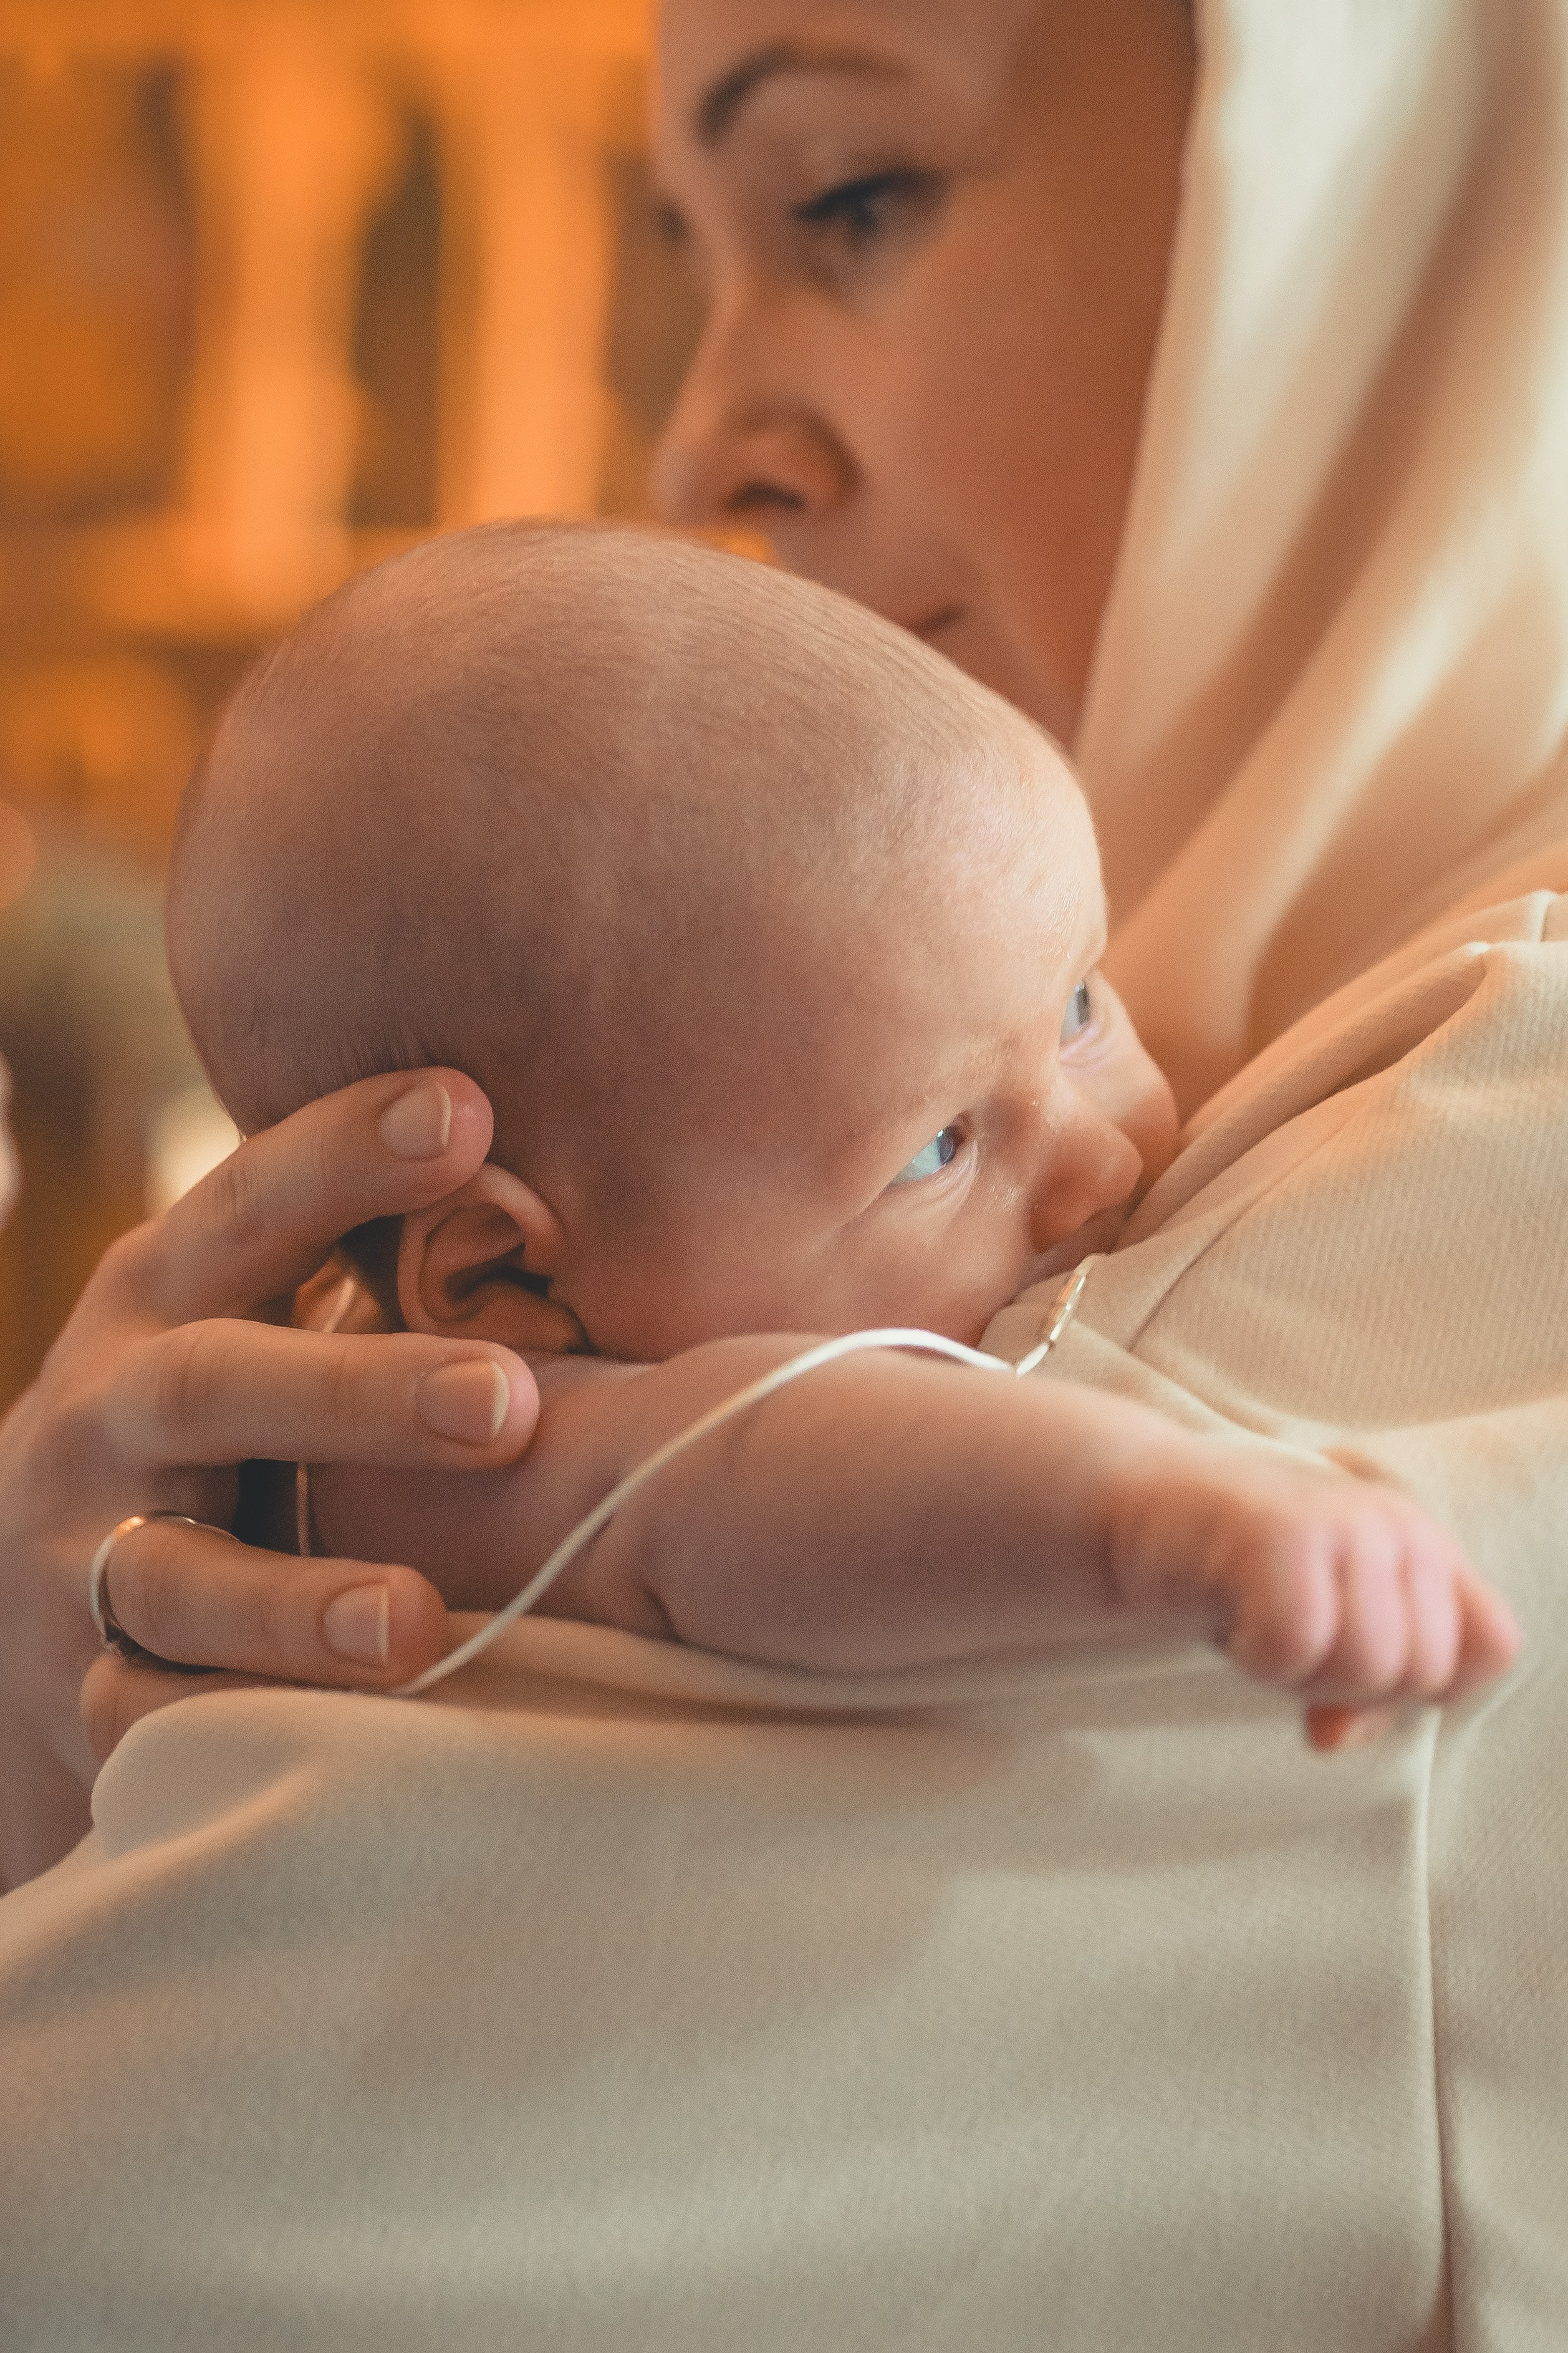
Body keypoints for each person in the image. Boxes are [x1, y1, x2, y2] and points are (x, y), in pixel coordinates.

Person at [0, 9, 1565, 2321]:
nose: (701, 433)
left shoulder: (1370, 1246)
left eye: (849, 196)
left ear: (1362, 165)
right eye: (689, 259)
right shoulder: (1283, 1002)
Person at [160, 519, 1513, 1732]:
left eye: (1080, 1007)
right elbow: (778, 1470)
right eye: (937, 1147)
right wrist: (1162, 1519)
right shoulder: (457, 1451)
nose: (1099, 1159)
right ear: (500, 1280)